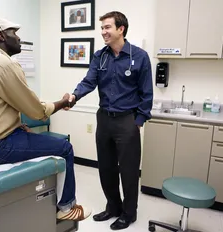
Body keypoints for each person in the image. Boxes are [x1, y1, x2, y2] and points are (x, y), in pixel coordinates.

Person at [0, 17, 91, 221]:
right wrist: (62, 102)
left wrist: (16, 126)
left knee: (27, 134)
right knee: (64, 148)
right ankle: (67, 207)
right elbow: (36, 111)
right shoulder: (4, 65)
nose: (19, 38)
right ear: (0, 35)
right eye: (14, 33)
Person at [66, 11, 153, 230]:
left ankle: (129, 213)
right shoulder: (100, 56)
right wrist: (74, 95)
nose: (103, 32)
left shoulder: (139, 56)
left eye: (107, 27)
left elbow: (147, 93)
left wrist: (138, 121)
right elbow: (89, 81)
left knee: (129, 170)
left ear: (120, 29)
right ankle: (113, 206)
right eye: (102, 28)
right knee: (106, 168)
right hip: (104, 118)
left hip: (127, 121)